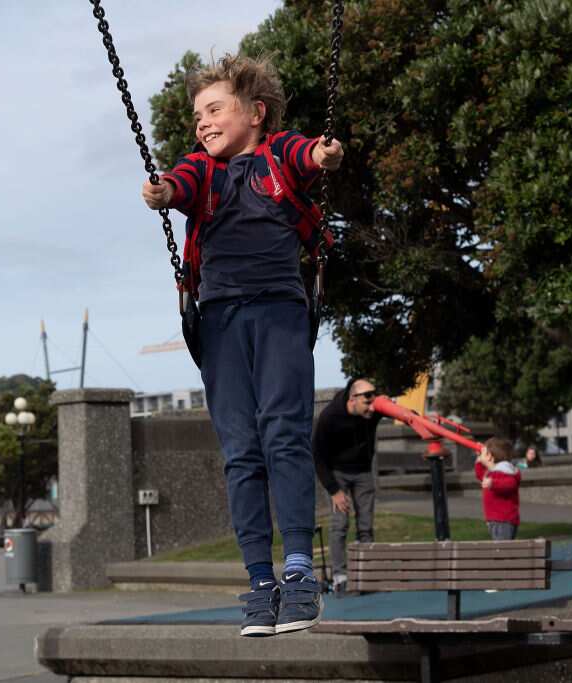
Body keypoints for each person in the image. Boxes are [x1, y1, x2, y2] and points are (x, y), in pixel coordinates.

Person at [141, 54, 344, 637]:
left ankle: (301, 572)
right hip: (221, 321)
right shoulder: (201, 171)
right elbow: (175, 185)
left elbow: (310, 155)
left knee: (283, 432)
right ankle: (260, 580)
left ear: (255, 113)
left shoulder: (280, 155)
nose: (202, 122)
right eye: (196, 114)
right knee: (240, 450)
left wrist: (325, 153)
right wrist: (158, 194)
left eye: (215, 108)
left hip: (279, 312)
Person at [312, 378, 384, 594]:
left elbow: (399, 412)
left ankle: (367, 577)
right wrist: (334, 491)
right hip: (338, 473)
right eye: (367, 400)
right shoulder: (330, 417)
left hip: (363, 472)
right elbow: (318, 456)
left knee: (366, 526)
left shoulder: (371, 412)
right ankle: (340, 577)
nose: (372, 406)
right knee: (340, 525)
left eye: (374, 398)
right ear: (353, 398)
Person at [474, 437, 521, 540]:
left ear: (489, 457)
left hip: (503, 520)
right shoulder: (493, 471)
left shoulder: (503, 471)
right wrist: (479, 459)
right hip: (497, 519)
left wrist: (493, 483)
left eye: (483, 454)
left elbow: (510, 484)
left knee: (501, 549)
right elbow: (480, 475)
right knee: (501, 548)